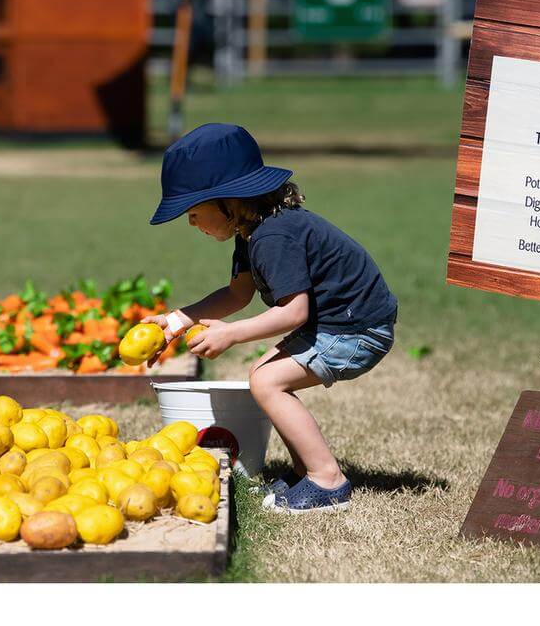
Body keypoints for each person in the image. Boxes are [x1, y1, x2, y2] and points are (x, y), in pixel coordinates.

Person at [142, 124, 398, 513]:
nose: (191, 223)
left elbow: (294, 311)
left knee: (267, 381)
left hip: (357, 328)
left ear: (229, 201)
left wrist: (232, 335)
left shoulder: (273, 236)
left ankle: (328, 481)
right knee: (263, 373)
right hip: (333, 322)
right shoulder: (252, 230)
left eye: (194, 213)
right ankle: (304, 472)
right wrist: (178, 319)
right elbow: (237, 294)